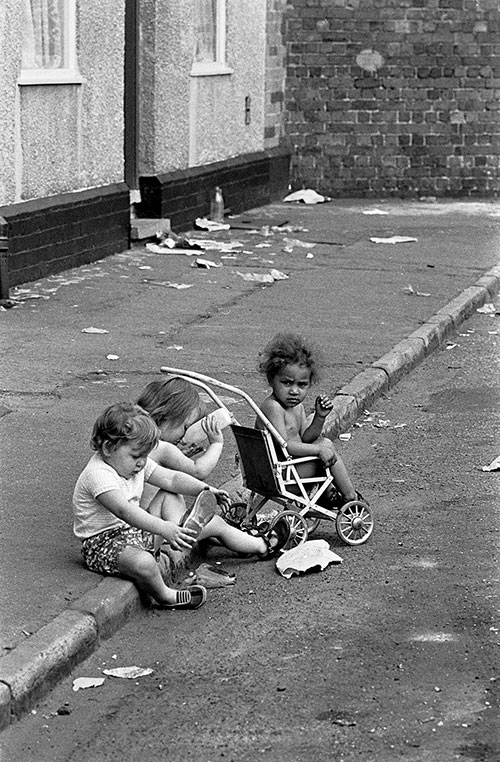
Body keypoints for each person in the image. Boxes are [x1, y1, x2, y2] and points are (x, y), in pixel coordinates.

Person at [73, 401, 234, 610]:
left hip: (132, 532)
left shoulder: (136, 464)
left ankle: (179, 530)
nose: (141, 463)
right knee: (144, 564)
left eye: (145, 456)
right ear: (108, 448)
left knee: (169, 493)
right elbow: (125, 511)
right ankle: (166, 596)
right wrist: (163, 527)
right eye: (135, 456)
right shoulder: (98, 474)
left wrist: (205, 490)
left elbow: (172, 479)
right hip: (103, 543)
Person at [136, 377, 290, 560]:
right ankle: (262, 546)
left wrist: (178, 453)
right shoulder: (162, 448)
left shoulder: (139, 444)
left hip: (141, 525)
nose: (186, 434)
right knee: (216, 524)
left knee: (169, 494)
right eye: (185, 427)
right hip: (150, 532)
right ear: (165, 418)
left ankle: (233, 539)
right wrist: (216, 443)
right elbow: (198, 470)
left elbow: (170, 476)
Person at [257, 332, 357, 503]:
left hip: (291, 468)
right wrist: (319, 451)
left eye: (302, 385)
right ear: (271, 379)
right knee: (325, 448)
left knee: (325, 443)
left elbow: (307, 438)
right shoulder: (273, 407)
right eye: (287, 383)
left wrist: (319, 417)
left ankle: (331, 493)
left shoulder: (297, 407)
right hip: (280, 474)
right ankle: (349, 496)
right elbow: (286, 446)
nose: (295, 391)